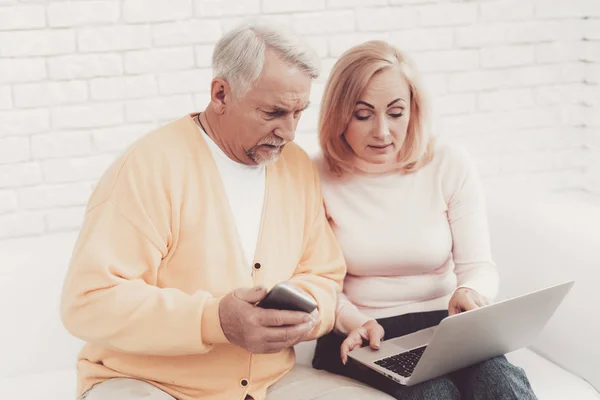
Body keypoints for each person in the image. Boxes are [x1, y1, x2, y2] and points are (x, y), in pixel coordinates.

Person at [60, 22, 393, 400]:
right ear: (221, 94)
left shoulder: (295, 166)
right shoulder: (147, 167)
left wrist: (306, 312)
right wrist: (213, 320)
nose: (289, 132)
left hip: (270, 383)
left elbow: (324, 274)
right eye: (274, 112)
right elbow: (88, 302)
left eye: (298, 113)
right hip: (148, 383)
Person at [311, 40, 538, 400]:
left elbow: (479, 266)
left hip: (446, 326)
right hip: (367, 330)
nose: (382, 132)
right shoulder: (315, 175)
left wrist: (469, 292)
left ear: (413, 110)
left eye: (396, 113)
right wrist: (354, 322)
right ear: (339, 114)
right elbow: (319, 282)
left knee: (500, 385)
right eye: (363, 114)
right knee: (435, 394)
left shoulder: (448, 163)